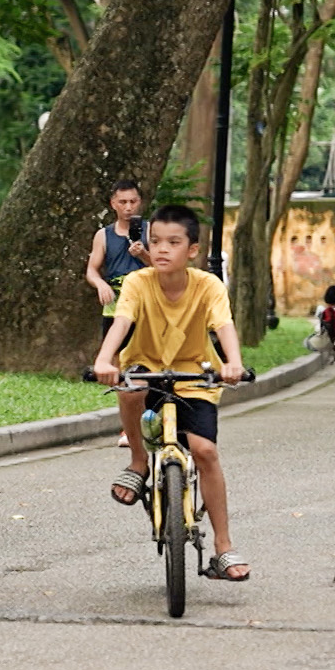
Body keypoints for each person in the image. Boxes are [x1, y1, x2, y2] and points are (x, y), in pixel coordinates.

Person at [93, 205, 251, 581]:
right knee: (129, 387)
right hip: (147, 369)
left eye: (173, 242)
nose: (162, 249)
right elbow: (122, 321)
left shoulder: (208, 285)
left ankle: (223, 548)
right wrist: (104, 359)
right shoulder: (137, 282)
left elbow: (224, 325)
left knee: (205, 451)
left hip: (194, 376)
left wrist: (233, 362)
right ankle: (137, 462)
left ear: (192, 250)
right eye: (155, 241)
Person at [86, 180, 151, 448]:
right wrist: (101, 284)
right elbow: (92, 269)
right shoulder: (104, 235)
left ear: (140, 202)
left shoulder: (151, 231)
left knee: (150, 365)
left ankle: (152, 420)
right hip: (115, 306)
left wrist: (144, 254)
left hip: (148, 306)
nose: (128, 207)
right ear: (113, 204)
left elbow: (166, 266)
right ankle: (128, 429)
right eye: (122, 202)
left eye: (133, 201)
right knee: (118, 367)